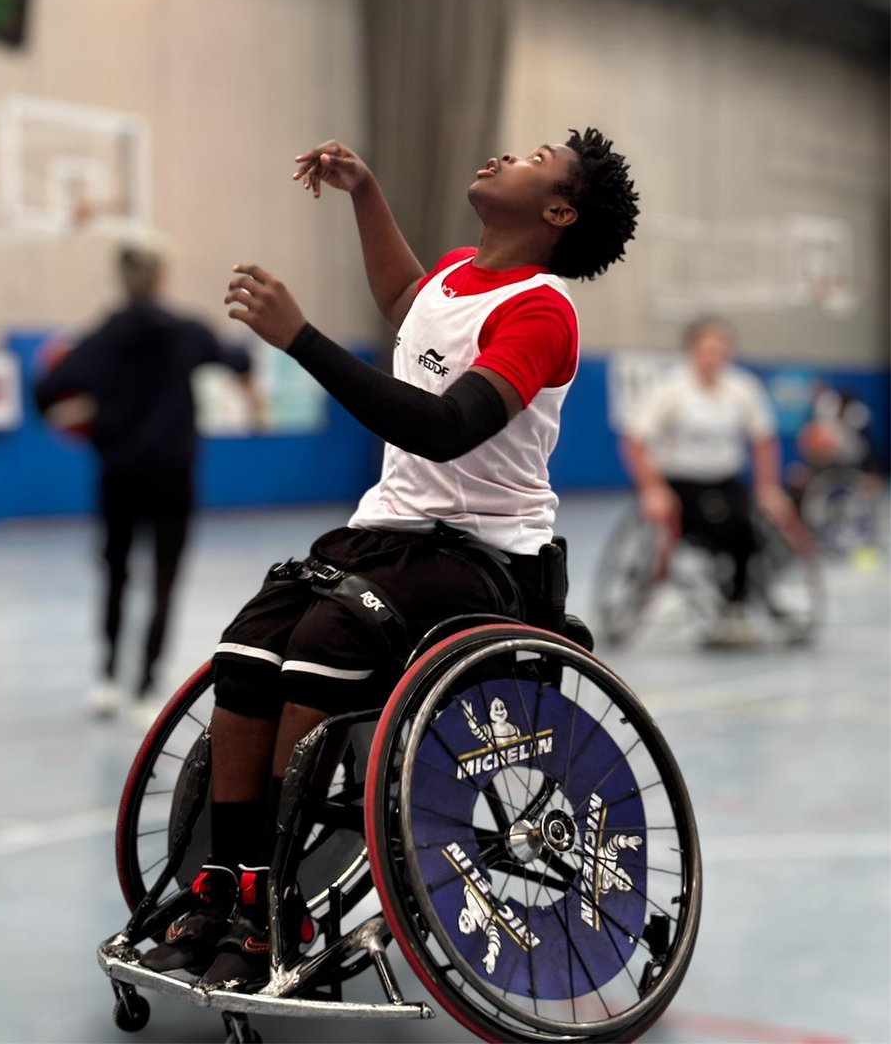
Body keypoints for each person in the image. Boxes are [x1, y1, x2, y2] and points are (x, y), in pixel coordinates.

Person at [140, 128, 639, 989]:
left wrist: (302, 339)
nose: (504, 155)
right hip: (383, 534)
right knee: (248, 647)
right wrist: (366, 193)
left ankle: (275, 904)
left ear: (558, 211)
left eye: (534, 159)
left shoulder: (543, 311)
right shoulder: (455, 273)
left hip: (483, 555)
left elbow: (442, 430)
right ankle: (228, 882)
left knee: (324, 647)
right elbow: (409, 298)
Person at [35, 243, 258, 724]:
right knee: (164, 579)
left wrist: (86, 413)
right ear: (161, 277)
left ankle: (109, 678)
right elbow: (239, 361)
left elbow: (46, 393)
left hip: (118, 477)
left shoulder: (99, 340)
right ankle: (145, 686)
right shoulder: (189, 333)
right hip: (172, 477)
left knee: (115, 576)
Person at [622, 316, 799, 639]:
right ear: (692, 351)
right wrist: (652, 490)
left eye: (720, 350)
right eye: (707, 350)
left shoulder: (743, 388)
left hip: (727, 480)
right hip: (681, 484)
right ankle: (725, 601)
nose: (713, 357)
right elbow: (635, 440)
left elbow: (763, 440)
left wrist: (768, 487)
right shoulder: (671, 389)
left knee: (755, 531)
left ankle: (737, 602)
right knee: (726, 528)